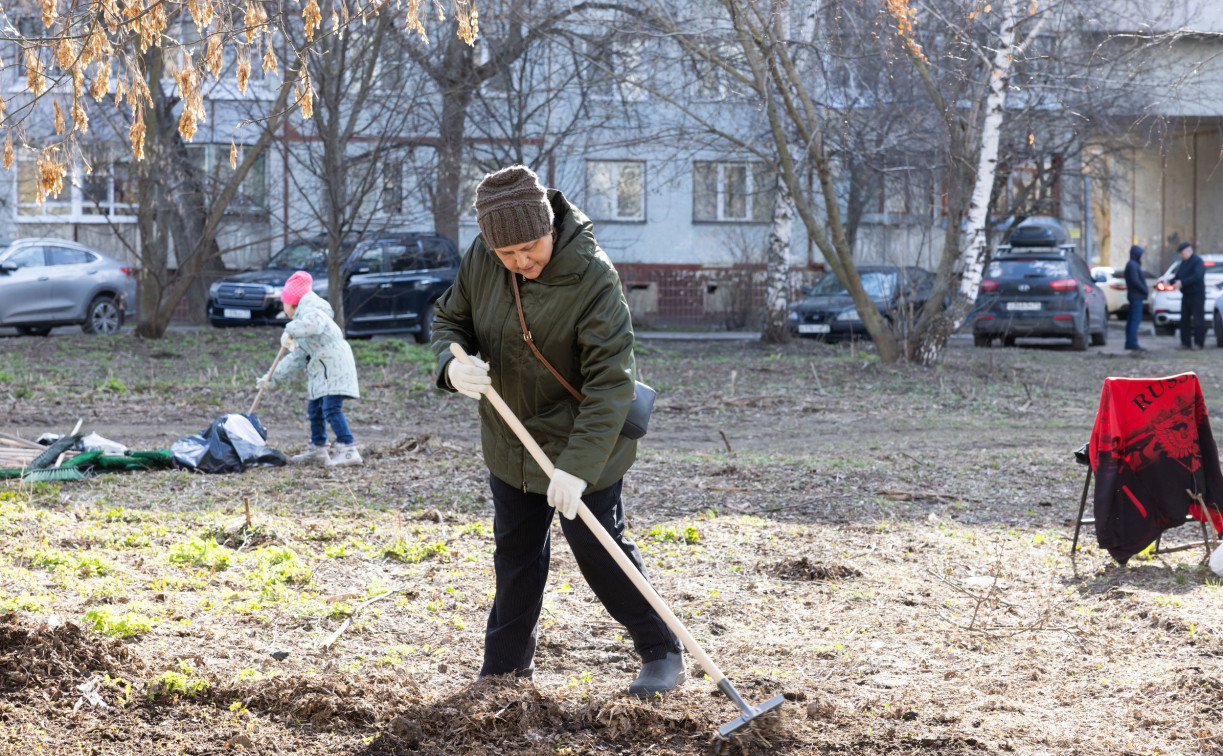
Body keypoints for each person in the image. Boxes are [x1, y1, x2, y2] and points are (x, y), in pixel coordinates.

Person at [430, 165, 684, 698]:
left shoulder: (593, 277)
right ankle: (504, 669)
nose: (521, 262)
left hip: (585, 438)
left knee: (598, 547)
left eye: (530, 247)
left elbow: (610, 385)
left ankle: (662, 652)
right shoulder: (482, 258)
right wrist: (452, 367)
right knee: (516, 552)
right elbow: (450, 321)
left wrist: (575, 467)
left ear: (550, 228)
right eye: (508, 254)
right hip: (511, 438)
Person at [257, 270, 363, 467]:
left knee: (331, 408)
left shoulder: (312, 312)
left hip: (334, 367)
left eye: (284, 303)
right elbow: (296, 358)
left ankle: (348, 449)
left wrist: (290, 330)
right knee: (314, 408)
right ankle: (318, 449)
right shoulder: (303, 324)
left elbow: (313, 324)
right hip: (322, 370)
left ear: (292, 302)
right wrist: (271, 377)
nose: (283, 308)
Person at [1172, 241, 1206, 349]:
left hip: (1196, 295)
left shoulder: (1197, 261)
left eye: (1182, 253)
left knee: (1198, 320)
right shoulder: (1183, 263)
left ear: (1188, 251)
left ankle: (1198, 343)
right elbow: (1178, 275)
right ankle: (1185, 342)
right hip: (1186, 294)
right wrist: (1171, 281)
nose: (1181, 256)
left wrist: (1182, 283)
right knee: (1184, 319)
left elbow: (1197, 277)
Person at [1123, 245, 1149, 351]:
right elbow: (1135, 281)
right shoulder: (1133, 265)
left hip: (1135, 296)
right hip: (1136, 296)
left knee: (1132, 320)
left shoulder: (1132, 265)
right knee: (1134, 320)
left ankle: (1130, 341)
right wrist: (1144, 289)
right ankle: (1132, 342)